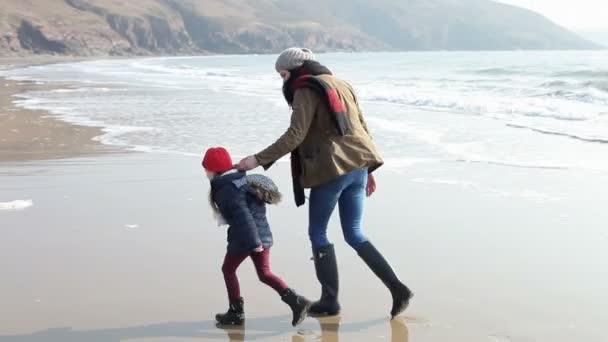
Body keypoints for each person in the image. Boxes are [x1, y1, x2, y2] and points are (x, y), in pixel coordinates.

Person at [237, 48, 413, 318]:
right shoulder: (342, 83)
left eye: (283, 74)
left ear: (295, 69)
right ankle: (398, 288)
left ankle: (330, 301)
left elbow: (295, 135)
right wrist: (370, 170)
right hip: (359, 165)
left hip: (332, 169)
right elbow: (361, 127)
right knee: (354, 233)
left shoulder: (305, 88)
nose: (283, 81)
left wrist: (257, 160)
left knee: (318, 233)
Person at [202, 147, 310, 326]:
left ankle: (236, 313)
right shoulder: (240, 180)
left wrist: (254, 243)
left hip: (245, 239)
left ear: (213, 170)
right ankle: (297, 302)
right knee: (265, 273)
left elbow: (243, 215)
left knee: (228, 270)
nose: (205, 172)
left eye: (206, 168)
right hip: (262, 234)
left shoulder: (226, 189)